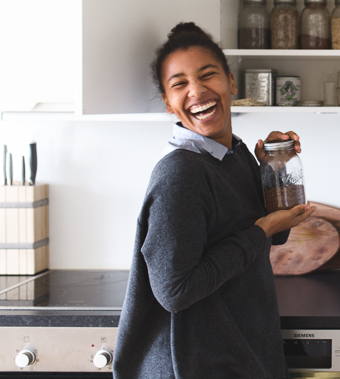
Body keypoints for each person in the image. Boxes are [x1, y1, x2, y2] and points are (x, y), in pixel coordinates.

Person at [113, 22, 314, 378]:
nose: (197, 91)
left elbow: (275, 234)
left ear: (231, 82)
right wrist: (261, 229)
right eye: (180, 84)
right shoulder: (181, 174)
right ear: (167, 102)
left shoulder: (232, 154)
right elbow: (175, 291)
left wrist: (273, 166)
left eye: (208, 75)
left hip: (239, 351)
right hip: (196, 363)